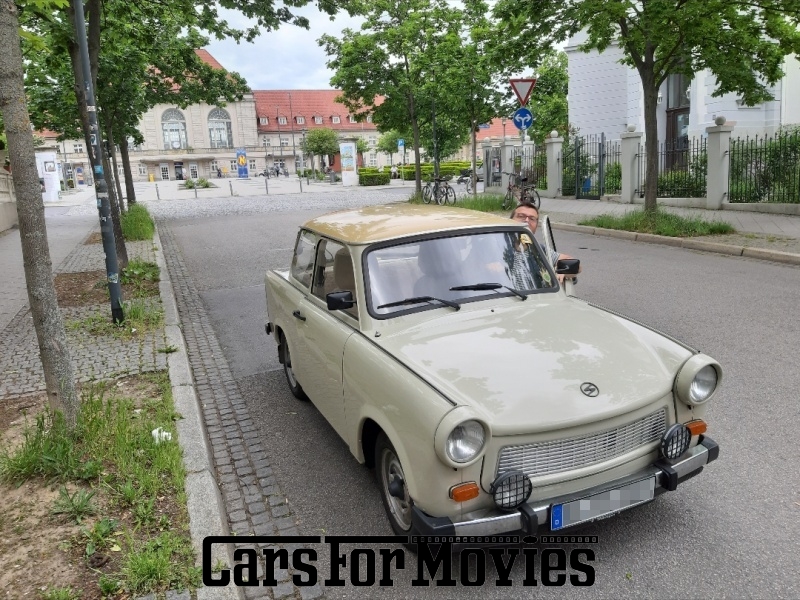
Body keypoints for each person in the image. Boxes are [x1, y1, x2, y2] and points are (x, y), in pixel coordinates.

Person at [510, 202, 580, 282]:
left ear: (536, 226)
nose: (526, 220)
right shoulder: (496, 246)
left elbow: (572, 262)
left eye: (532, 219)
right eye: (521, 216)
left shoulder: (540, 250)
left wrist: (563, 270)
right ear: (509, 220)